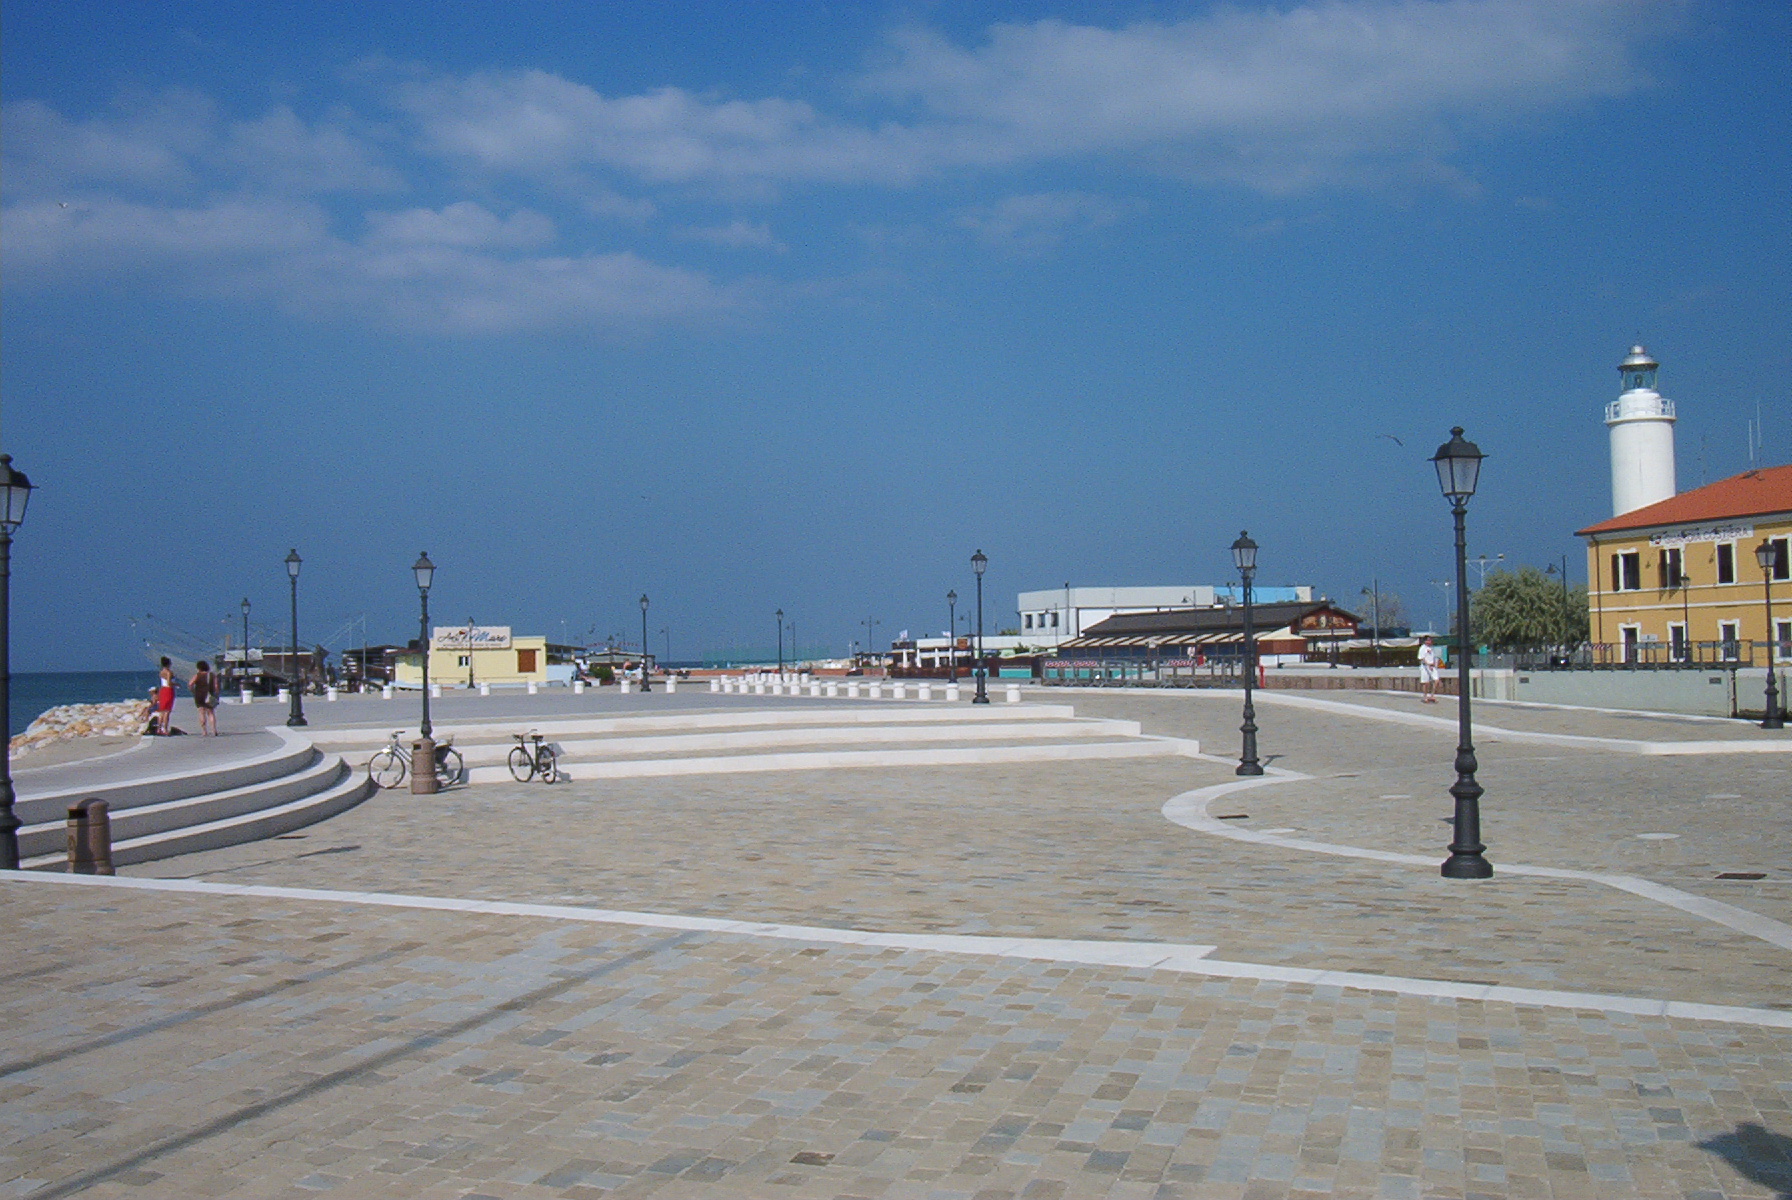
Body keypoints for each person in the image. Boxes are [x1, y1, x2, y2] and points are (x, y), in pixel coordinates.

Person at [190, 659, 219, 736]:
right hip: (209, 695)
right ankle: (214, 730)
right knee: (211, 713)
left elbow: (190, 684)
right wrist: (216, 695)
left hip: (199, 695)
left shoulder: (197, 675)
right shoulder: (212, 675)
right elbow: (216, 686)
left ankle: (204, 731)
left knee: (201, 712)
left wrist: (193, 691)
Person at [154, 656, 177, 733]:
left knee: (162, 711)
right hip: (168, 690)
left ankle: (159, 728)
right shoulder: (169, 672)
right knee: (167, 711)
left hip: (162, 690)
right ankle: (165, 729)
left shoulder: (161, 672)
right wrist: (176, 684)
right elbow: (169, 683)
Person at [1417, 635, 1441, 704]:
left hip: (1432, 666)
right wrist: (1428, 664)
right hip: (1425, 667)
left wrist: (1434, 664)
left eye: (1430, 640)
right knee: (1426, 682)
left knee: (1436, 680)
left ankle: (1432, 695)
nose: (1429, 641)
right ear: (1425, 641)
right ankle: (1425, 696)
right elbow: (1421, 658)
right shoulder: (1422, 648)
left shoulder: (1432, 648)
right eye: (1428, 640)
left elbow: (1433, 657)